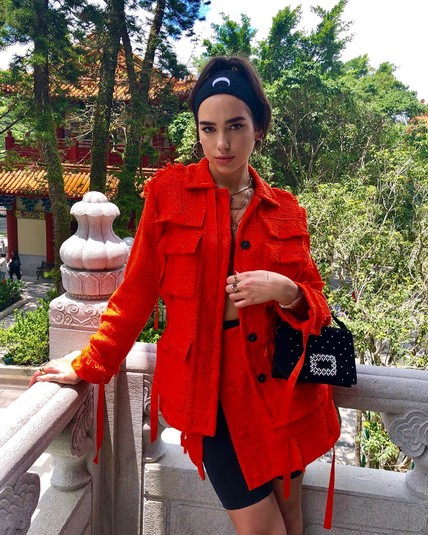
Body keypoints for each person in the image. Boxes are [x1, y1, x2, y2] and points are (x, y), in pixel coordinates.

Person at [30, 56, 340, 535]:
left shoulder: (285, 209)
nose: (222, 143)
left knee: (290, 516)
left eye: (236, 126)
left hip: (280, 391)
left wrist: (287, 291)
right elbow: (135, 294)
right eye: (208, 128)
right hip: (208, 393)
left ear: (258, 127)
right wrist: (89, 364)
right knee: (262, 528)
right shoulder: (169, 194)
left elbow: (316, 304)